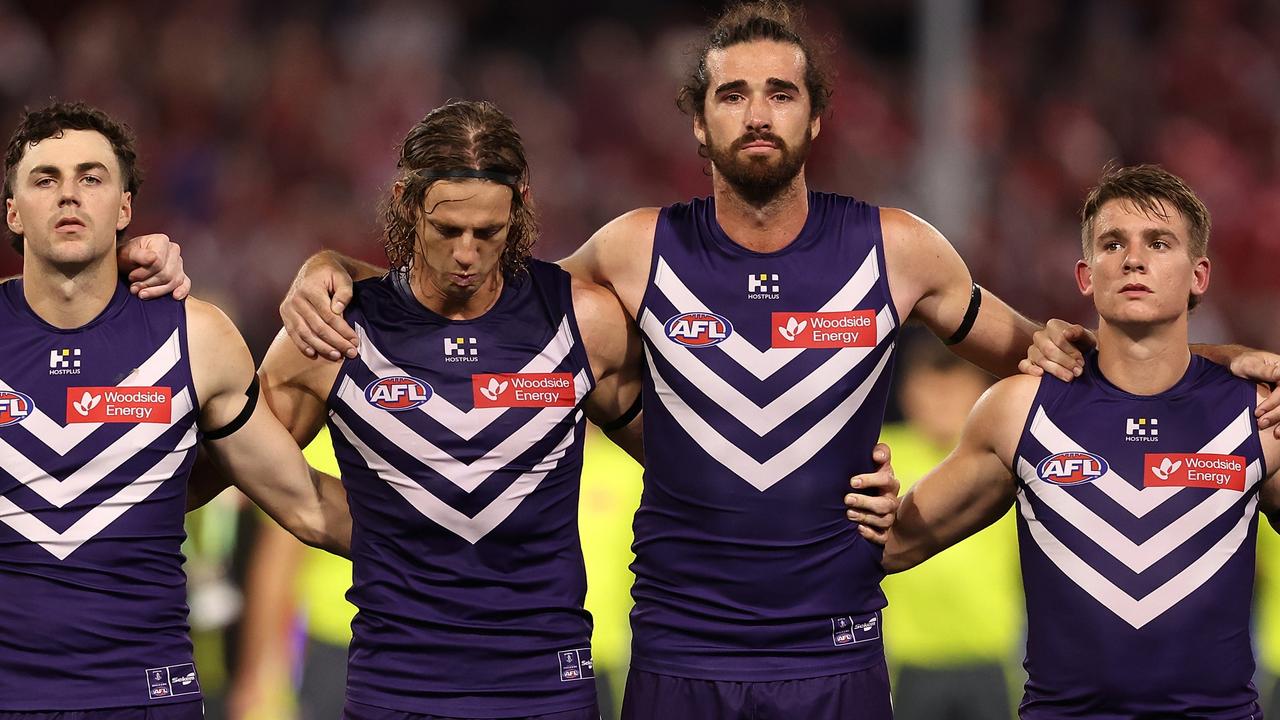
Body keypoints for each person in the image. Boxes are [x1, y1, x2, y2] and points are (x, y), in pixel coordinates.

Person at [273, 4, 1280, 718]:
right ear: (698, 121)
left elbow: (1078, 355)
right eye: (733, 95)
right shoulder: (632, 250)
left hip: (835, 655)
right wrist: (335, 267)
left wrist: (1220, 357)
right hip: (676, 654)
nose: (757, 112)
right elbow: (476, 291)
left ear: (815, 116)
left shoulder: (898, 249)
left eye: (780, 94)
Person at [875, 163, 1280, 718]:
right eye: (1113, 244)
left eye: (1159, 243)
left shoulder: (1259, 414)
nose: (1133, 259)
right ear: (1086, 276)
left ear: (1199, 276)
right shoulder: (1019, 411)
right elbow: (892, 545)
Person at [0, 102, 349, 718]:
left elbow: (306, 504)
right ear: (13, 211)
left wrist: (463, 536)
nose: (69, 196)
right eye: (45, 179)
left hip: (147, 699)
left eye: (91, 177)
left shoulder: (198, 339)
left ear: (126, 208)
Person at [879, 331, 1020, 720]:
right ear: (908, 393)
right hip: (907, 658)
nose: (942, 403)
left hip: (989, 653)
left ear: (982, 397)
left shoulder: (1004, 461)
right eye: (931, 390)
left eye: (955, 390)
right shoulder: (880, 455)